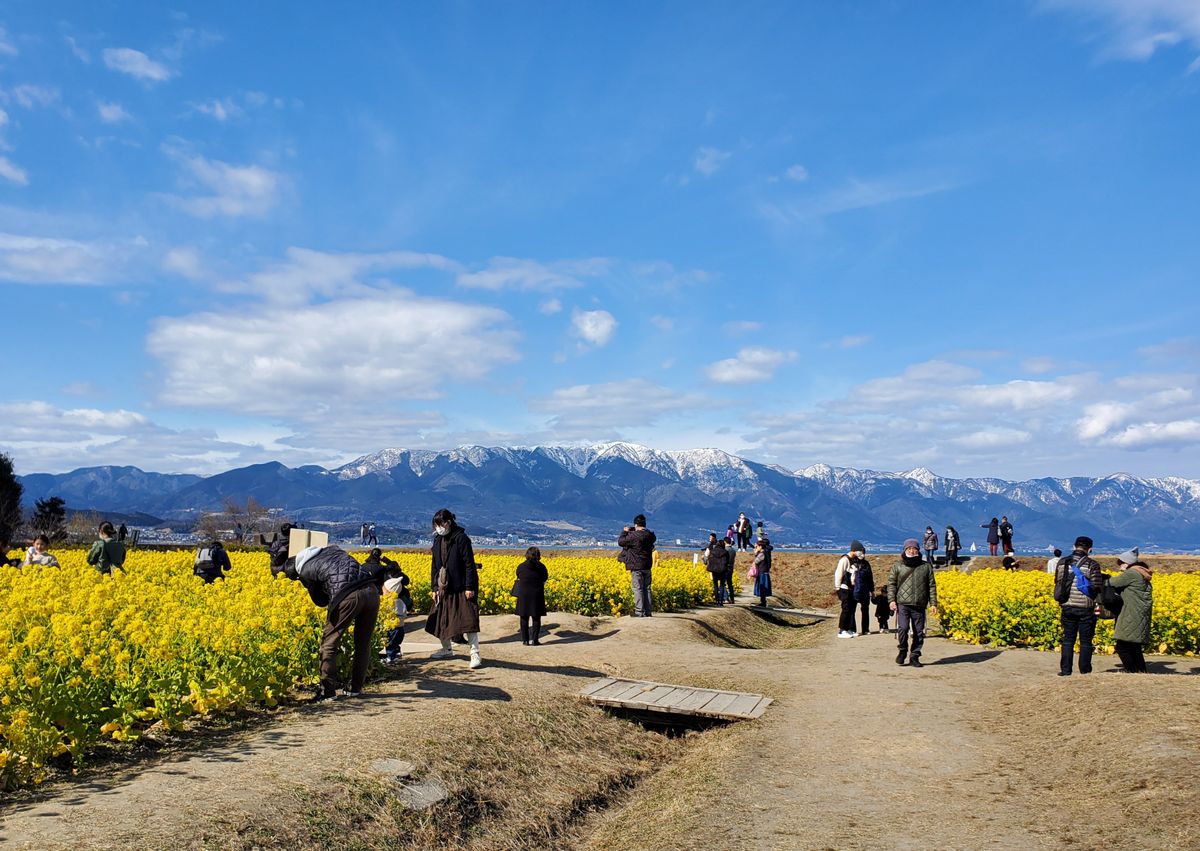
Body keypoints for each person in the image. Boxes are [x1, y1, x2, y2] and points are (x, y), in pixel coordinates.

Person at [280, 544, 386, 700]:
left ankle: (327, 692)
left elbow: (320, 601)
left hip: (349, 596)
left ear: (296, 572)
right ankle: (355, 688)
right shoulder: (332, 550)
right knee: (363, 643)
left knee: (329, 642)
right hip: (372, 592)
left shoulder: (305, 571)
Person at [425, 509, 483, 668]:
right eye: (435, 525)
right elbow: (434, 566)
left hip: (461, 586)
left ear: (448, 522)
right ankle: (446, 649)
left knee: (468, 619)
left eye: (440, 524)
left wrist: (469, 586)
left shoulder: (461, 538)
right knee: (440, 618)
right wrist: (434, 587)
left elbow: (469, 564)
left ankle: (475, 654)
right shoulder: (437, 540)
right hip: (444, 586)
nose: (438, 528)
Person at [1055, 535, 1102, 677]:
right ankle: (1085, 671)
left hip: (1067, 605)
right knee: (1086, 641)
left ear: (1074, 546)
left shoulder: (1062, 562)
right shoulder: (1092, 564)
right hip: (1085, 608)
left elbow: (1057, 581)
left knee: (1068, 639)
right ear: (1090, 549)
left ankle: (1065, 670)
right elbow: (1096, 587)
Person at [888, 539, 937, 667]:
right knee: (903, 628)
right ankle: (902, 650)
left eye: (914, 548)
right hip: (903, 603)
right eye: (908, 548)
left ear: (918, 550)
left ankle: (915, 656)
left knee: (919, 632)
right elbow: (892, 584)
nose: (911, 550)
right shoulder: (898, 566)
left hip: (919, 604)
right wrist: (891, 600)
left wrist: (933, 603)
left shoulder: (925, 566)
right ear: (904, 550)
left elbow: (931, 586)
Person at [1109, 548, 1152, 674]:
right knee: (1134, 646)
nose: (1120, 567)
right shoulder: (1142, 572)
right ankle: (1141, 671)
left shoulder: (1132, 573)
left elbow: (1113, 582)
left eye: (1121, 564)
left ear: (1127, 563)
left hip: (1131, 614)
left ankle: (1132, 671)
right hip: (1139, 613)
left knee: (1122, 647)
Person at [366, 548, 411, 665]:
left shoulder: (371, 568)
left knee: (388, 635)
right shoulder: (396, 577)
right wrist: (387, 560)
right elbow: (406, 580)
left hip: (379, 600)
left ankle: (390, 655)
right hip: (398, 613)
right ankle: (396, 652)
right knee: (396, 635)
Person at [618, 514, 656, 617]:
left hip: (636, 566)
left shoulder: (633, 536)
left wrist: (625, 531)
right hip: (647, 565)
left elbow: (621, 542)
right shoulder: (650, 536)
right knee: (647, 588)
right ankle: (648, 612)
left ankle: (639, 612)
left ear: (635, 524)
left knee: (638, 588)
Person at [513, 546, 549, 645]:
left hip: (523, 595)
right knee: (536, 618)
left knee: (524, 618)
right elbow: (545, 578)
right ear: (538, 555)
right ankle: (535, 640)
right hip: (537, 594)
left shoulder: (521, 566)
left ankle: (525, 640)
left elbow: (518, 575)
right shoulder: (541, 566)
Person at [834, 540, 868, 638]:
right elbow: (838, 574)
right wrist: (838, 588)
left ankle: (849, 629)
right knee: (846, 609)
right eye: (859, 550)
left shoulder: (854, 560)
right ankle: (842, 630)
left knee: (851, 610)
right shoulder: (844, 560)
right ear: (854, 550)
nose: (861, 553)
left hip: (852, 588)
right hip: (844, 588)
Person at [703, 534, 728, 604]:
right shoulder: (725, 552)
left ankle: (716, 600)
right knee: (722, 585)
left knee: (715, 585)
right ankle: (721, 601)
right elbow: (727, 561)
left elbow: (709, 559)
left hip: (714, 570)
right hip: (722, 570)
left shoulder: (713, 551)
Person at [752, 537, 773, 607]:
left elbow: (756, 561)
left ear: (760, 546)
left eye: (757, 546)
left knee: (762, 588)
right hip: (765, 571)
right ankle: (763, 601)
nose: (756, 547)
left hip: (762, 572)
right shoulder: (766, 552)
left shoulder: (761, 554)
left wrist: (755, 553)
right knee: (763, 588)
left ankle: (763, 602)